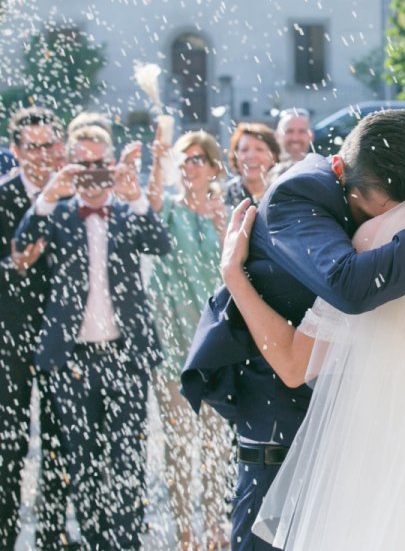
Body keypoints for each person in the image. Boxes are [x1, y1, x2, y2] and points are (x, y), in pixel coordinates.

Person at [181, 108, 405, 551]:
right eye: (379, 209)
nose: (390, 220)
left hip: (355, 444)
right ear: (345, 175)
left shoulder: (394, 236)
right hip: (280, 422)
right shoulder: (301, 194)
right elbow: (350, 287)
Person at [14, 125, 171, 550]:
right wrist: (50, 191)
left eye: (101, 164)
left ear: (112, 164)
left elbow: (161, 243)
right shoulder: (60, 212)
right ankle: (95, 539)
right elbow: (21, 242)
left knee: (126, 457)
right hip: (71, 360)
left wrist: (134, 191)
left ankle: (125, 542)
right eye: (83, 164)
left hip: (125, 356)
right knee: (81, 460)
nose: (93, 173)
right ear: (71, 164)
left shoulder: (126, 212)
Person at [145, 128, 231, 550]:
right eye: (184, 160)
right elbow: (151, 206)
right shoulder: (168, 212)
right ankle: (184, 532)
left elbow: (237, 273)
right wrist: (157, 161)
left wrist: (221, 228)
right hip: (173, 344)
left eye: (198, 159)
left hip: (215, 345)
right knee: (178, 445)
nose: (190, 166)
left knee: (215, 444)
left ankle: (215, 527)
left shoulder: (227, 213)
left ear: (215, 167)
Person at [0, 106, 70, 550]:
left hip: (64, 339)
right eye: (33, 147)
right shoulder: (3, 194)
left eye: (50, 145)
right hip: (10, 340)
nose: (43, 155)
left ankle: (51, 535)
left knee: (59, 443)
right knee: (7, 444)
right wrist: (12, 266)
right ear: (15, 150)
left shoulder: (74, 194)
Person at [222, 122, 279, 207]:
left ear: (273, 156)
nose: (251, 156)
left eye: (259, 149)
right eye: (244, 150)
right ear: (235, 156)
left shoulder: (282, 195)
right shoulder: (223, 197)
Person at [268, 108, 314, 180]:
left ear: (311, 136)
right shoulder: (263, 173)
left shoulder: (323, 172)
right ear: (277, 136)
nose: (295, 138)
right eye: (289, 131)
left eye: (302, 131)